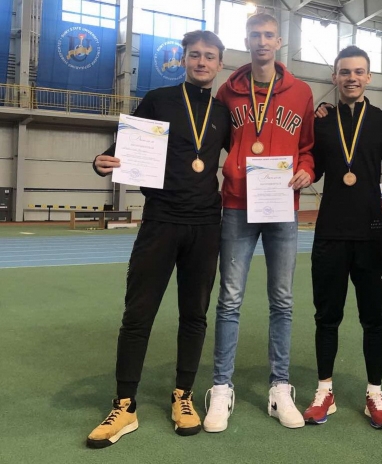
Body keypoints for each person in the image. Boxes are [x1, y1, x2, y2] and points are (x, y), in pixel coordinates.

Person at [86, 30, 230, 448]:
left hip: (206, 225)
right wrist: (101, 161)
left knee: (195, 314)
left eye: (209, 56)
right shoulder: (159, 100)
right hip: (161, 221)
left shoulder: (223, 113)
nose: (201, 62)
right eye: (195, 55)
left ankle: (183, 396)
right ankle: (125, 405)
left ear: (219, 64)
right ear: (183, 59)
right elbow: (120, 149)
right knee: (138, 314)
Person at [203, 13, 315, 432]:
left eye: (269, 35)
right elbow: (212, 140)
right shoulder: (228, 91)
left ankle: (280, 387)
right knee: (229, 299)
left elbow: (307, 146)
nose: (262, 41)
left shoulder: (301, 92)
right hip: (237, 204)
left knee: (282, 301)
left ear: (279, 42)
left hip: (282, 205)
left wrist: (307, 169)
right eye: (255, 35)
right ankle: (221, 387)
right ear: (247, 40)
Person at [302, 46, 382, 429]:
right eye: (345, 72)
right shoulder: (321, 122)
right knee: (327, 317)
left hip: (372, 234)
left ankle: (375, 393)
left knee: (375, 319)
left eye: (359, 72)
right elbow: (312, 164)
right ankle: (325, 390)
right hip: (330, 233)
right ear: (335, 78)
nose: (352, 78)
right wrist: (304, 172)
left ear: (369, 77)